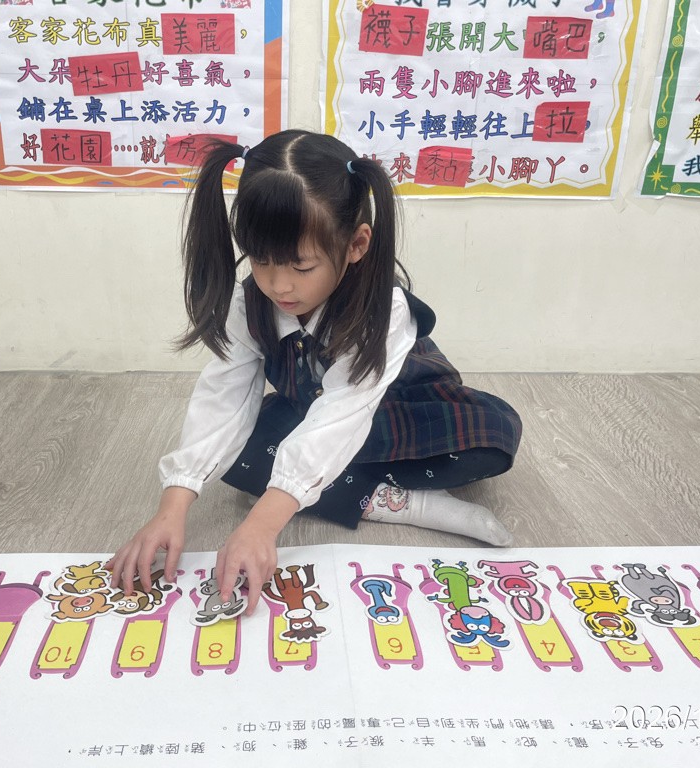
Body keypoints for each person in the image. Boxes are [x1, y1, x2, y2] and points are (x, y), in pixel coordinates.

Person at [106, 129, 522, 615]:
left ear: (356, 243)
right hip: (315, 417)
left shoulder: (384, 309)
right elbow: (224, 397)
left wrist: (262, 524)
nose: (278, 285)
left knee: (490, 440)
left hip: (398, 411)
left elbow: (345, 412)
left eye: (301, 267)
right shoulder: (248, 302)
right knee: (236, 458)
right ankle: (399, 502)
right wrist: (171, 506)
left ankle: (355, 491)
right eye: (261, 260)